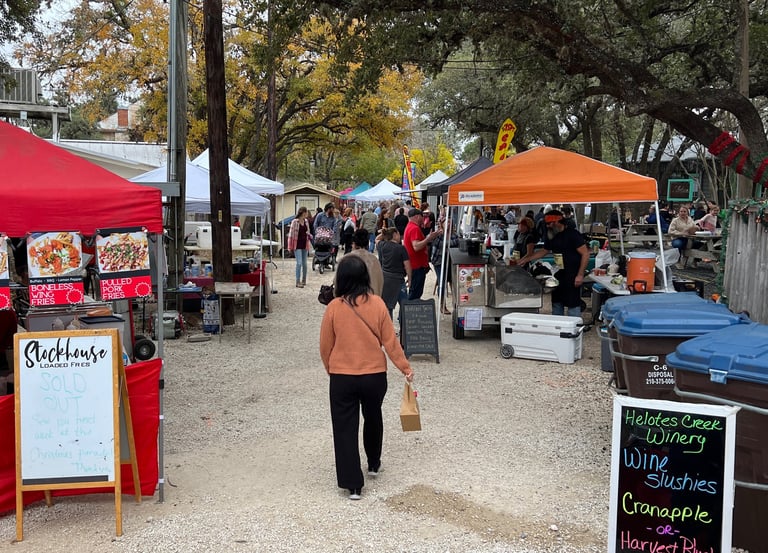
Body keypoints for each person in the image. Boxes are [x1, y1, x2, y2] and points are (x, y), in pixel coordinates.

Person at [319, 255, 414, 500]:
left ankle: (353, 484)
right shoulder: (378, 304)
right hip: (374, 374)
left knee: (344, 428)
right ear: (365, 277)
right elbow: (390, 342)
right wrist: (404, 367)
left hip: (342, 375)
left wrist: (331, 367)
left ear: (341, 279)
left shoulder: (334, 308)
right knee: (373, 416)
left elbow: (325, 345)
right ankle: (373, 463)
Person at [513, 209, 589, 317]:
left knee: (573, 304)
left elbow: (585, 254)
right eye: (546, 224)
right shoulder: (552, 235)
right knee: (557, 302)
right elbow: (544, 251)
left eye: (549, 224)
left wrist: (580, 274)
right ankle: (558, 326)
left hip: (573, 274)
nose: (547, 226)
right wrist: (526, 259)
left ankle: (574, 328)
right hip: (558, 273)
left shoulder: (573, 235)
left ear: (557, 222)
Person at [402, 208, 440, 300]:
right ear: (417, 216)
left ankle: (406, 312)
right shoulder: (414, 228)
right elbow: (416, 246)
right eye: (422, 216)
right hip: (417, 266)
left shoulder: (410, 226)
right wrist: (429, 238)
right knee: (415, 294)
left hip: (416, 265)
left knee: (415, 292)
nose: (423, 219)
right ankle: (406, 313)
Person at [376, 227, 411, 318]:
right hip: (398, 279)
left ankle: (389, 329)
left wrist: (384, 234)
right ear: (395, 234)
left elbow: (376, 239)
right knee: (404, 304)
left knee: (387, 306)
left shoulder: (382, 245)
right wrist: (410, 279)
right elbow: (407, 265)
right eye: (399, 234)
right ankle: (404, 327)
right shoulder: (401, 248)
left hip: (386, 279)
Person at [430, 218, 457, 314]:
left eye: (450, 222)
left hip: (451, 261)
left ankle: (455, 304)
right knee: (442, 283)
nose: (448, 224)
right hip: (439, 262)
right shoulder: (439, 235)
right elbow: (435, 247)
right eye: (446, 222)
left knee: (453, 283)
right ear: (442, 224)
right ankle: (442, 305)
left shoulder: (454, 235)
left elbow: (456, 245)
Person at [348, 229, 384, 296]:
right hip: (372, 300)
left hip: (350, 300)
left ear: (354, 243)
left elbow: (337, 283)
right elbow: (380, 281)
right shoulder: (374, 260)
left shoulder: (346, 259)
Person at [287, 206, 312, 288]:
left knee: (305, 264)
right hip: (297, 245)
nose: (307, 214)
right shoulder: (295, 222)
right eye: (306, 212)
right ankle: (297, 281)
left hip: (304, 244)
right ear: (303, 213)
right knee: (299, 263)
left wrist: (309, 236)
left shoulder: (306, 221)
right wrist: (290, 246)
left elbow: (308, 231)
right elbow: (290, 235)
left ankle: (304, 280)